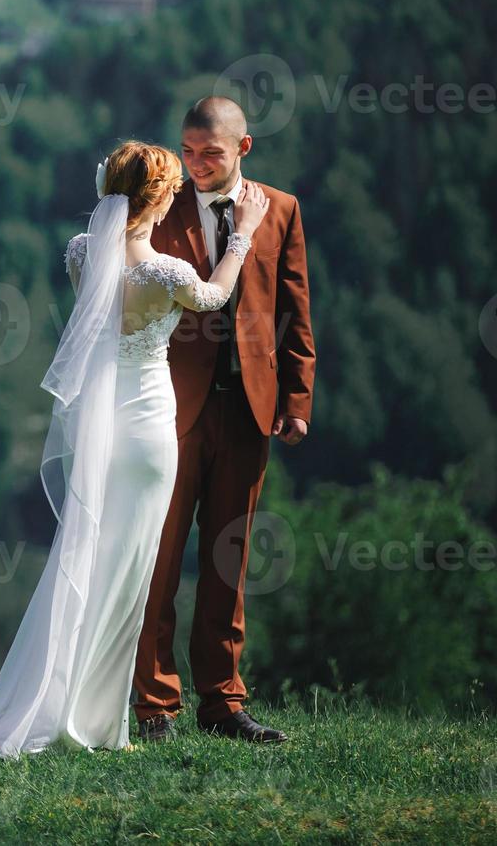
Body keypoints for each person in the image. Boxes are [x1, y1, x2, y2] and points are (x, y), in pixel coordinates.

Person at [0, 140, 268, 757]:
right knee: (130, 570)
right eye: (171, 190)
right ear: (161, 197)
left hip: (99, 423)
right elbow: (216, 297)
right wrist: (243, 234)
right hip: (145, 429)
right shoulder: (164, 274)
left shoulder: (81, 255)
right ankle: (97, 720)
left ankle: (73, 707)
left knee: (86, 557)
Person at [131, 96, 315, 744]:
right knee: (159, 560)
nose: (196, 163)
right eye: (187, 149)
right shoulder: (161, 205)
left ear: (244, 147)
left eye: (209, 152)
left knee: (227, 561)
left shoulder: (282, 210)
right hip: (170, 411)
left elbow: (295, 309)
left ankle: (223, 703)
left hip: (248, 413)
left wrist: (296, 401)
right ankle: (155, 706)